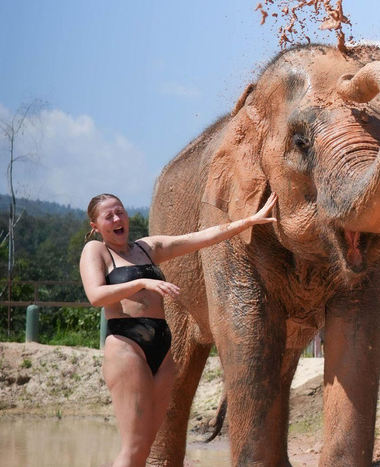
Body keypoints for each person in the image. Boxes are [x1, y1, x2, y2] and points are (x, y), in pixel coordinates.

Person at [79, 192, 277, 467]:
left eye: (120, 212)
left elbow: (201, 237)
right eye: (108, 216)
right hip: (127, 346)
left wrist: (248, 221)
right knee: (134, 447)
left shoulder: (147, 248)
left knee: (145, 447)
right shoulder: (96, 250)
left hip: (162, 351)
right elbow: (96, 296)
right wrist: (142, 283)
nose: (116, 219)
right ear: (96, 226)